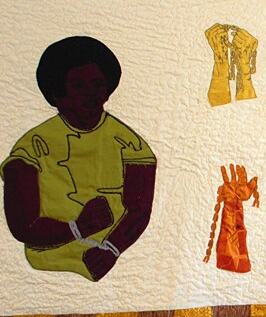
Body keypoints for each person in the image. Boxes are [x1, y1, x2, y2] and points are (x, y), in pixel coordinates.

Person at [1, 35, 157, 281]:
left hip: (113, 261)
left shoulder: (131, 145)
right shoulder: (30, 148)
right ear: (56, 95)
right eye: (78, 86)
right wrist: (77, 228)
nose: (91, 94)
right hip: (46, 266)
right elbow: (22, 226)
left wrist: (111, 249)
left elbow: (139, 210)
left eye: (97, 84)